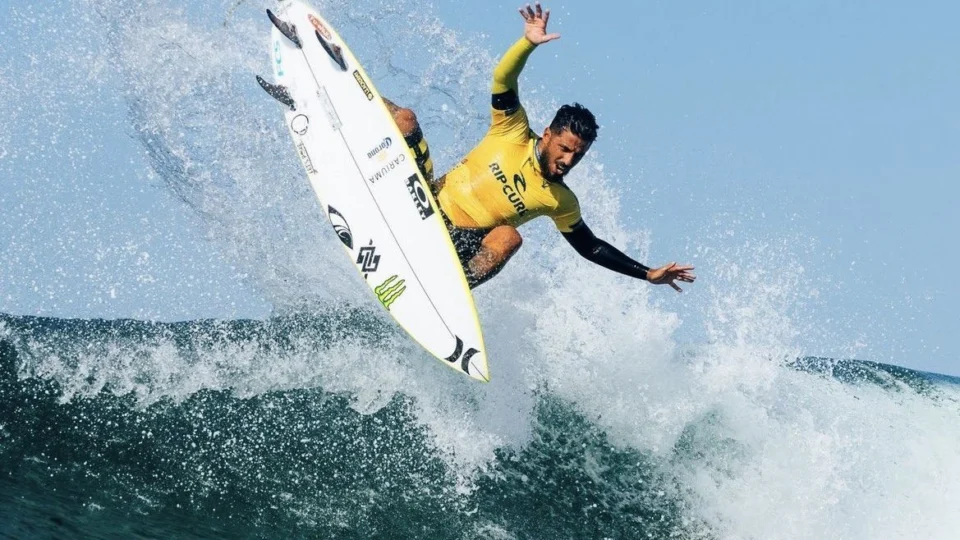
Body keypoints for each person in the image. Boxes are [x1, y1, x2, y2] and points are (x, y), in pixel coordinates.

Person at [386, 3, 696, 292]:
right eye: (565, 148)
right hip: (423, 199)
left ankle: (448, 292)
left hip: (457, 245)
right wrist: (527, 44)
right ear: (547, 134)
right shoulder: (513, 130)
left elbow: (591, 246)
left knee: (509, 237)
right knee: (405, 120)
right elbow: (503, 77)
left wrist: (646, 273)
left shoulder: (560, 200)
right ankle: (341, 92)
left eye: (578, 155)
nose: (568, 160)